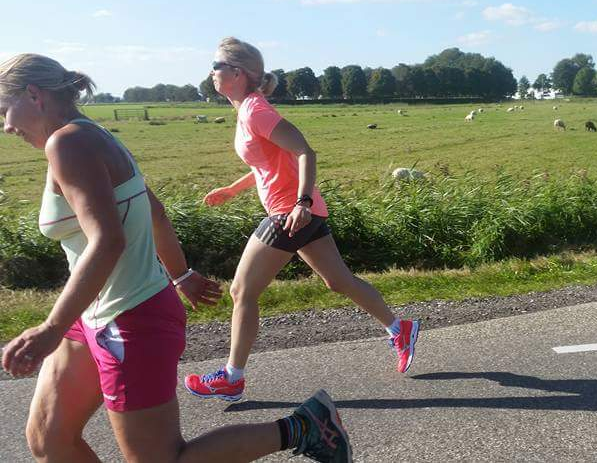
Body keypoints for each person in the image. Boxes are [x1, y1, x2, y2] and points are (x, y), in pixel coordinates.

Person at [0, 54, 351, 462]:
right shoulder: (90, 135)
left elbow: (107, 241)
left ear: (33, 94)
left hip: (131, 319)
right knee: (49, 439)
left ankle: (307, 427)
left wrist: (50, 326)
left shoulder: (69, 143)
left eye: (5, 110)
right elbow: (156, 212)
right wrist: (181, 275)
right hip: (92, 315)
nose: (7, 125)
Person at [183, 38, 419, 402]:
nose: (212, 71)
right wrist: (233, 188)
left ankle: (232, 376)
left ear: (237, 73)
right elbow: (270, 162)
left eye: (216, 65)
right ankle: (399, 328)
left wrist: (302, 202)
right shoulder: (247, 109)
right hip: (300, 213)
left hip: (289, 213)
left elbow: (305, 151)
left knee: (241, 291)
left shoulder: (256, 111)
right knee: (338, 281)